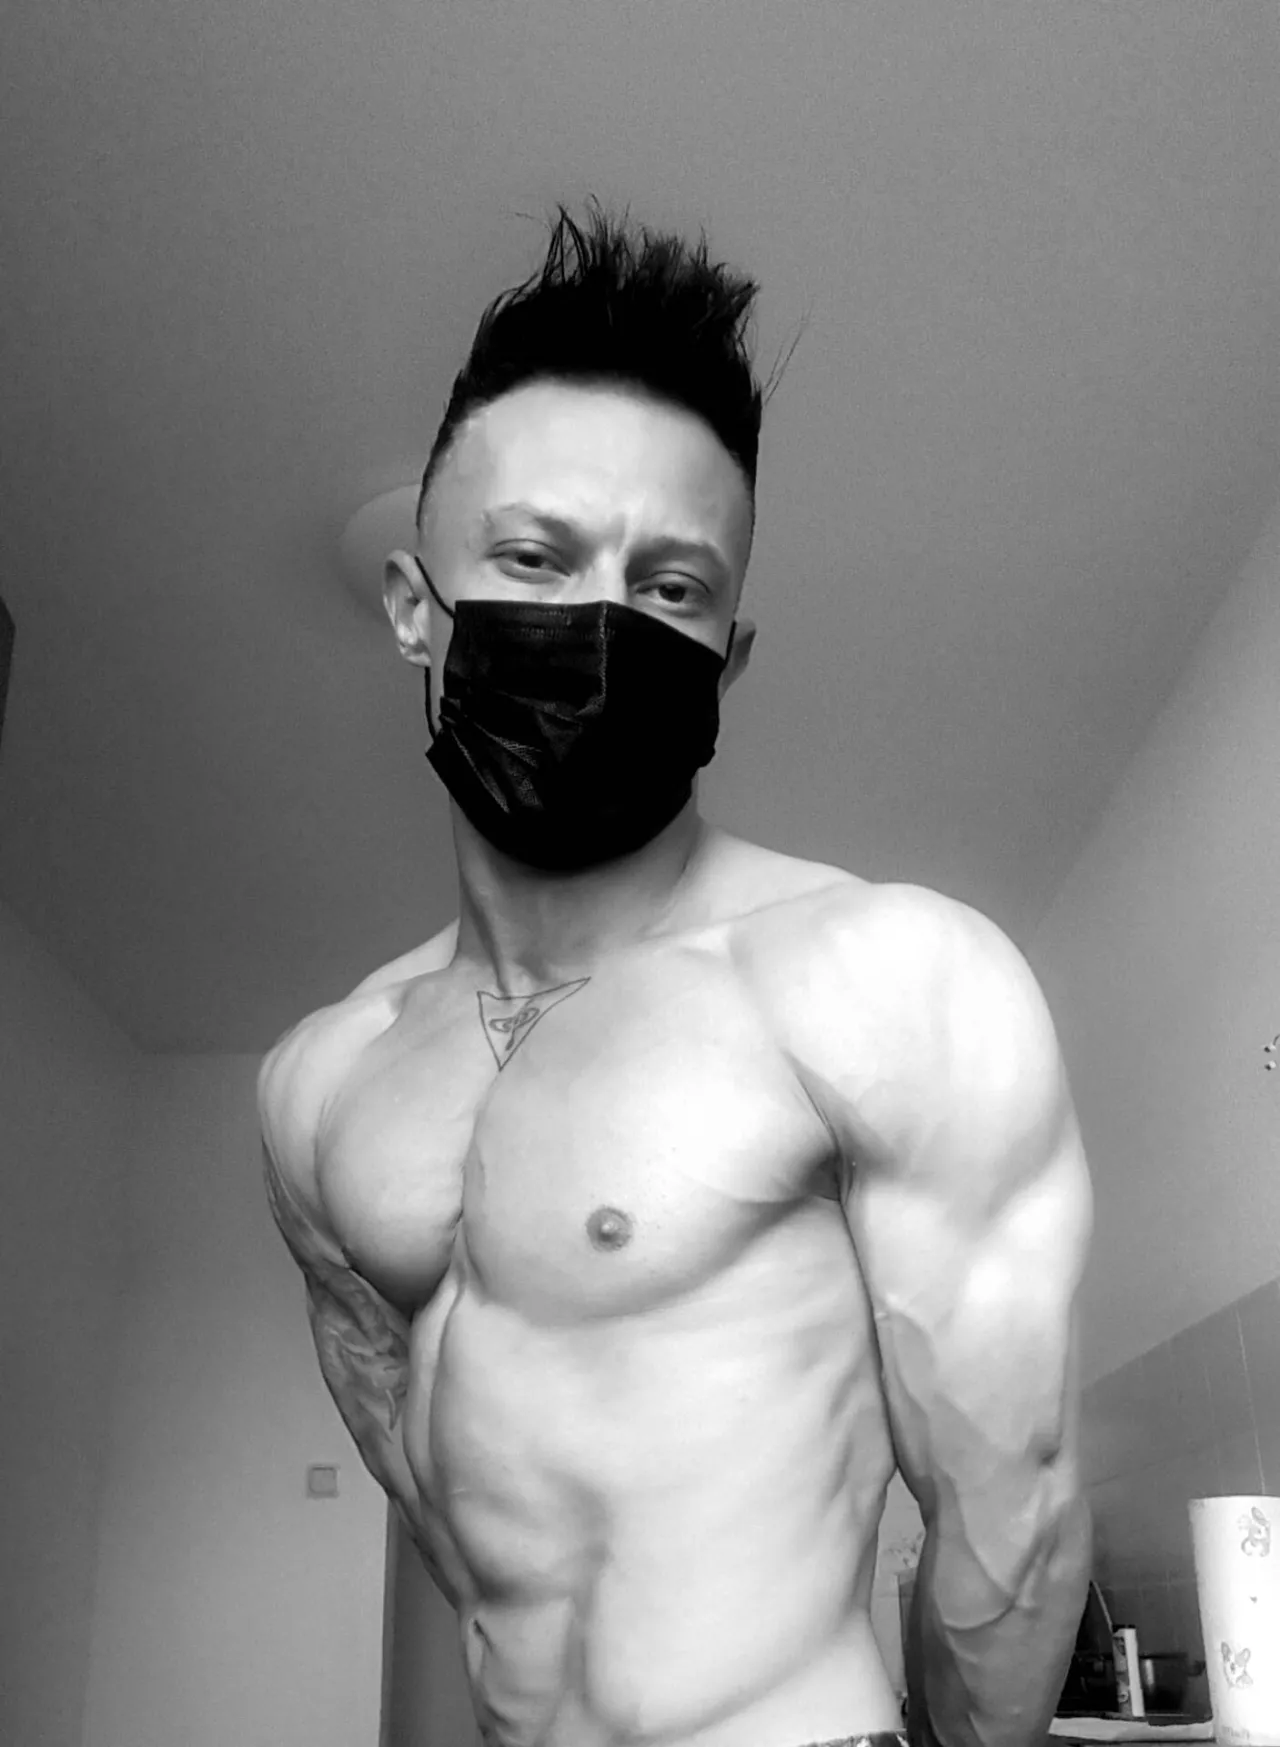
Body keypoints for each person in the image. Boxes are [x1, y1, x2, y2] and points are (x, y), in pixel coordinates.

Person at [259, 199, 1092, 1747]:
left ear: (729, 657)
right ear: (413, 607)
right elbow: (413, 1447)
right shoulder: (322, 1080)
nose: (601, 622)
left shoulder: (884, 979)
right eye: (535, 556)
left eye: (672, 587)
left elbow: (1014, 1511)